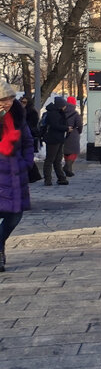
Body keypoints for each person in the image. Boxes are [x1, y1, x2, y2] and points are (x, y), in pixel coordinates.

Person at [0, 81, 35, 272]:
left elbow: (28, 141)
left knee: (15, 215)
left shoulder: (18, 116)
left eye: (11, 98)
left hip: (15, 173)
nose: (8, 102)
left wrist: (26, 162)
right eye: (4, 99)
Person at [39, 96, 70, 185]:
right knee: (50, 159)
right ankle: (48, 179)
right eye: (64, 105)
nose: (65, 107)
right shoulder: (53, 113)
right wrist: (66, 128)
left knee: (57, 159)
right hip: (53, 139)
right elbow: (55, 125)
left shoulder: (58, 112)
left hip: (58, 138)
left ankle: (61, 178)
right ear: (60, 105)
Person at [62, 96, 83, 176]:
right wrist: (79, 131)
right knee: (74, 151)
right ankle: (67, 166)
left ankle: (69, 170)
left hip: (64, 133)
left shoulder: (62, 112)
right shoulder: (75, 114)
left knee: (66, 152)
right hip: (73, 134)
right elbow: (79, 124)